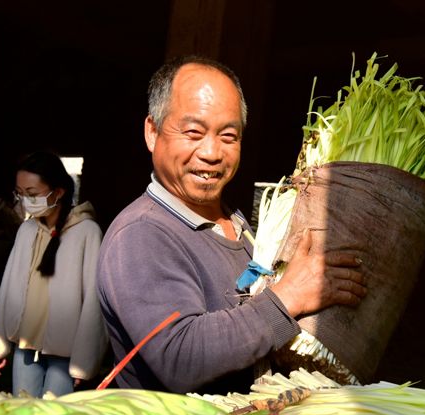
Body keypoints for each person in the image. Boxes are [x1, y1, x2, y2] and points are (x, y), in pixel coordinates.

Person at [96, 55, 367, 394]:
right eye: (193, 132)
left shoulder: (238, 224)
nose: (211, 152)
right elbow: (181, 358)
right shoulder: (141, 234)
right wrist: (290, 296)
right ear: (153, 132)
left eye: (228, 135)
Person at [0, 150, 109, 397]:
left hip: (66, 354)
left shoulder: (87, 232)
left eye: (32, 194)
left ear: (59, 191)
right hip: (25, 346)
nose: (25, 200)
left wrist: (84, 362)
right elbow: (8, 288)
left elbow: (95, 301)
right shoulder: (27, 231)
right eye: (20, 194)